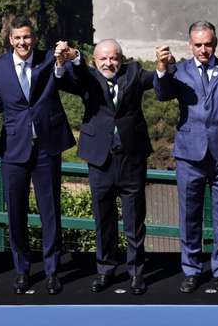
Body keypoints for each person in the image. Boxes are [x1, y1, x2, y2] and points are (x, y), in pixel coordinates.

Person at [0, 16, 81, 295]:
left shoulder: (49, 58)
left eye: (27, 37)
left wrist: (68, 59)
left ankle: (52, 270)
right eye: (17, 38)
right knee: (15, 213)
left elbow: (71, 79)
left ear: (33, 38)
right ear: (10, 40)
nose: (23, 42)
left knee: (50, 212)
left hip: (47, 146)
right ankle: (22, 270)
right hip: (14, 148)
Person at [153, 20, 218, 294]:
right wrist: (162, 69)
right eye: (198, 44)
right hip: (189, 153)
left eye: (208, 44)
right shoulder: (180, 69)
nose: (203, 49)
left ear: (216, 44)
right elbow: (162, 94)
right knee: (189, 214)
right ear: (190, 45)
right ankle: (192, 270)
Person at [62, 38, 154, 295]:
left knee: (134, 220)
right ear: (94, 61)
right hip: (100, 159)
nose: (108, 63)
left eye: (113, 58)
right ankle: (105, 270)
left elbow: (158, 79)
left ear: (121, 59)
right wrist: (72, 56)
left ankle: (136, 273)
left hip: (131, 159)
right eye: (102, 58)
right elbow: (70, 75)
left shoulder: (134, 73)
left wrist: (164, 66)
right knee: (103, 219)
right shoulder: (87, 78)